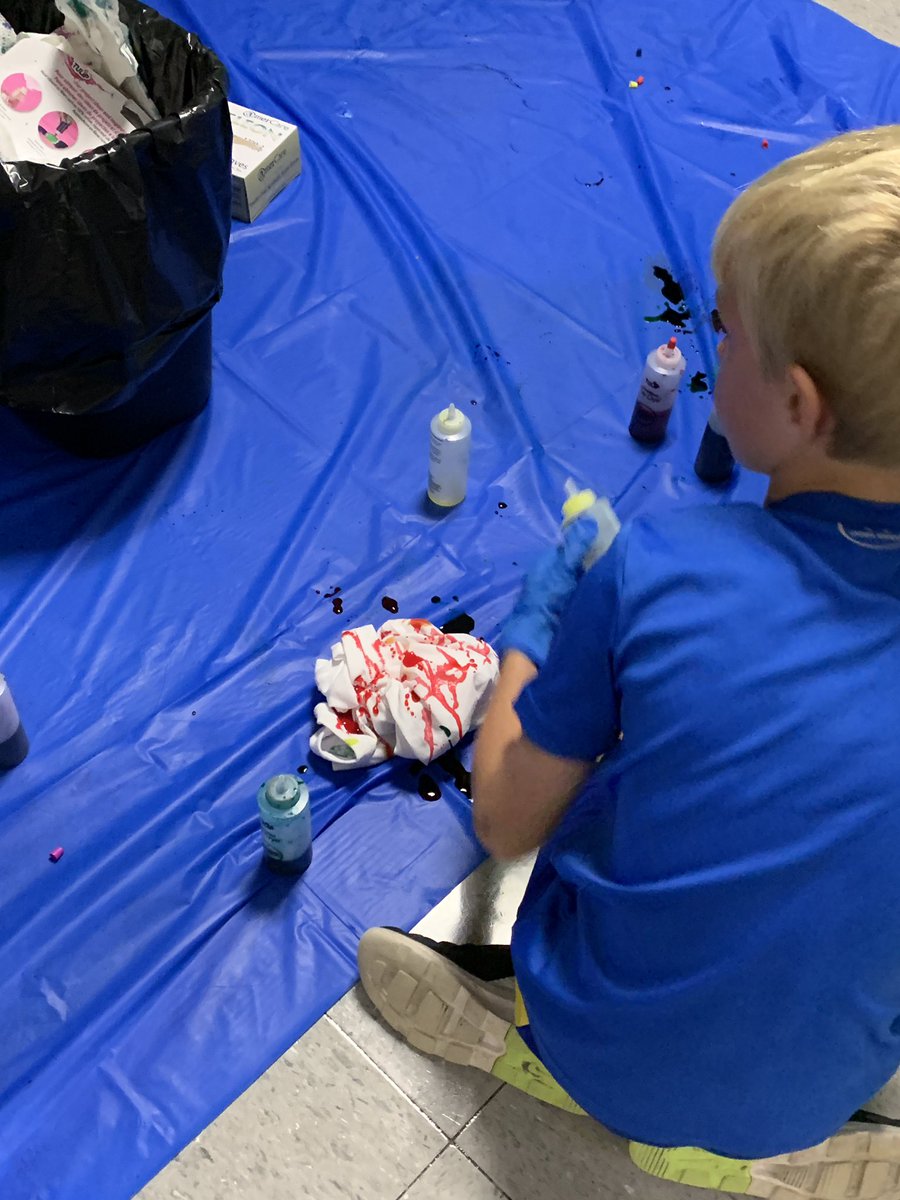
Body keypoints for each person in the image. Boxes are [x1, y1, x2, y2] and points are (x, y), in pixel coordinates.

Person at [358, 125, 900, 1199]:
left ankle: (532, 1046)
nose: (708, 356)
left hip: (617, 1046)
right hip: (825, 1077)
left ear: (799, 404)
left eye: (727, 336)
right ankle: (787, 1130)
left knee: (578, 874)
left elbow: (507, 821)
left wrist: (535, 630)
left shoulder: (661, 569)